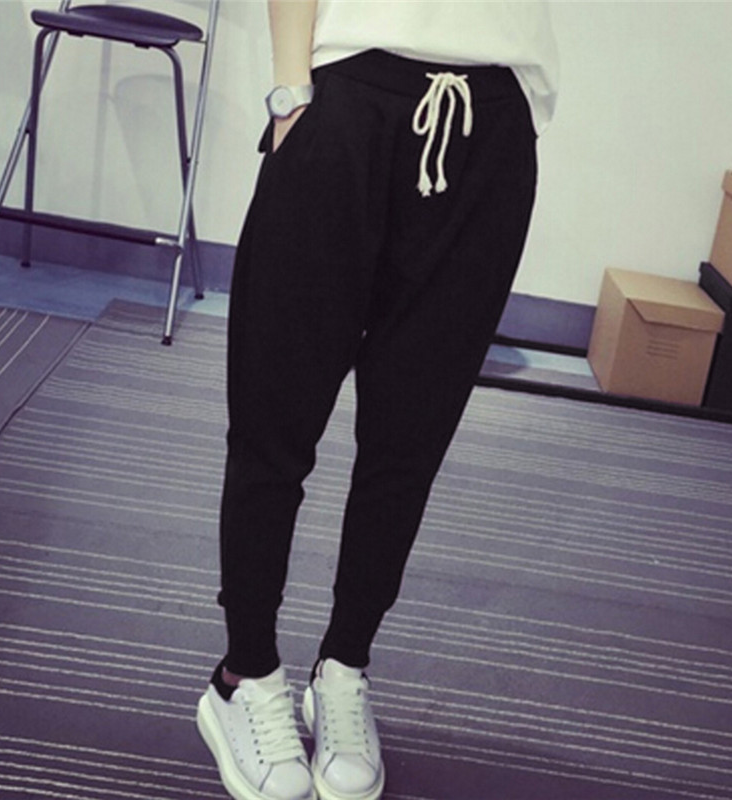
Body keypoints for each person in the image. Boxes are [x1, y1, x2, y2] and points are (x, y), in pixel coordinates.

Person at [196, 2, 559, 798]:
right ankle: (244, 673)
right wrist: (291, 93)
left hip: (493, 123)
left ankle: (344, 665)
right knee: (274, 417)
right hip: (345, 98)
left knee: (409, 438)